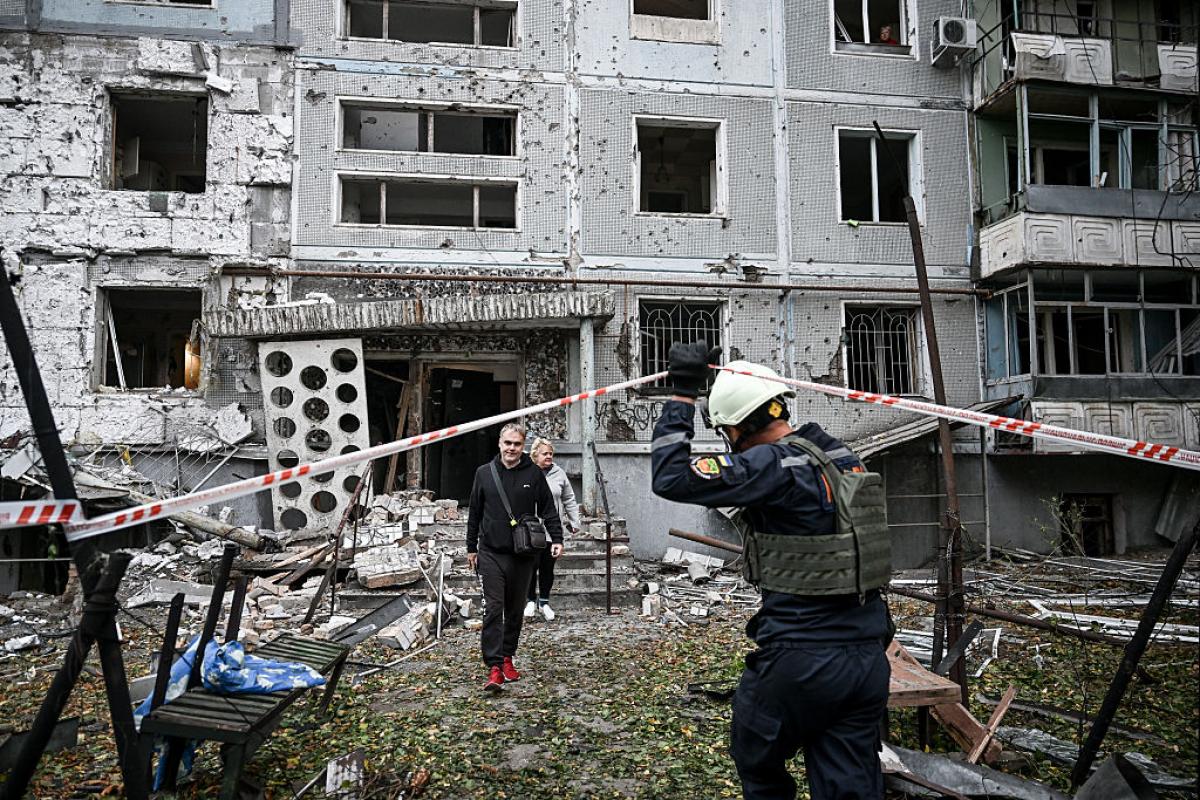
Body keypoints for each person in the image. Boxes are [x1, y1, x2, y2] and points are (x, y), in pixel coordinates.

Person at [650, 342, 892, 800]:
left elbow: (671, 477)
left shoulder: (774, 465)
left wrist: (682, 394)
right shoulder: (841, 457)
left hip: (802, 659)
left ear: (737, 427)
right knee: (849, 785)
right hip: (867, 658)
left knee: (757, 760)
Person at [466, 423, 564, 693]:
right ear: (499, 443)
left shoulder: (533, 474)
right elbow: (474, 512)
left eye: (517, 444)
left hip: (523, 554)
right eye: (507, 443)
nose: (511, 448)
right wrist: (471, 547)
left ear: (523, 446)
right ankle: (494, 666)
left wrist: (557, 539)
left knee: (514, 611)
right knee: (493, 609)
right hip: (490, 552)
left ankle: (508, 656)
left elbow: (548, 509)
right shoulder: (484, 473)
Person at [524, 437, 581, 621]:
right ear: (535, 455)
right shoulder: (526, 472)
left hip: (552, 529)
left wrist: (574, 522)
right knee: (530, 566)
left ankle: (544, 602)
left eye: (551, 453)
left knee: (547, 567)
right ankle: (530, 601)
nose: (549, 456)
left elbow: (569, 498)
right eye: (545, 454)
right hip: (530, 529)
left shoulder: (559, 473)